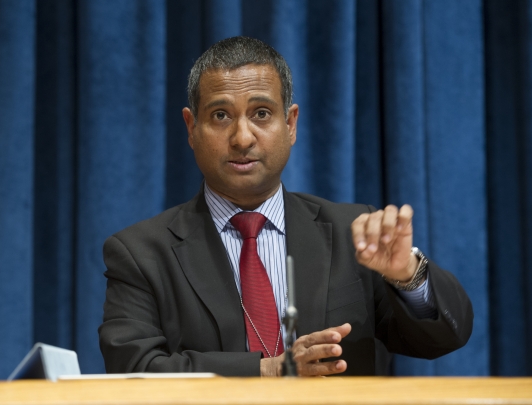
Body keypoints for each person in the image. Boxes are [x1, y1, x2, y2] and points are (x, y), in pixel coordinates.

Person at [98, 36, 473, 377]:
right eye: (221, 116)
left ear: (290, 124)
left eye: (261, 113)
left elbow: (442, 340)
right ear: (191, 127)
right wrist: (267, 370)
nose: (242, 138)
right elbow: (133, 367)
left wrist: (406, 275)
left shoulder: (353, 234)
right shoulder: (141, 253)